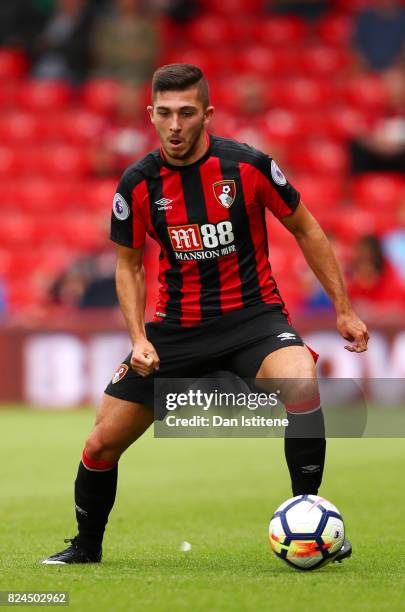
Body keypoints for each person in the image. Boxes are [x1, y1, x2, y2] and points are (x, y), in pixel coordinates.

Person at [42, 64, 368, 565]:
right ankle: (86, 548)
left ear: (207, 115)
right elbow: (128, 267)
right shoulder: (137, 184)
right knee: (101, 444)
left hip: (252, 319)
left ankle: (310, 515)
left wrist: (343, 310)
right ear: (150, 114)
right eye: (165, 113)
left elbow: (307, 229)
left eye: (187, 113)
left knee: (301, 381)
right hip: (174, 331)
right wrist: (138, 338)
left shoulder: (248, 167)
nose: (175, 125)